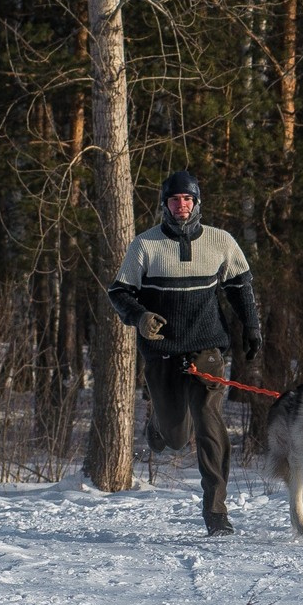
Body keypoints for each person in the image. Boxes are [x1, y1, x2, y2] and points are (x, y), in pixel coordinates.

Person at [106, 170, 262, 536]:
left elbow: (241, 286)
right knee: (176, 438)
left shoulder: (220, 241)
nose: (181, 206)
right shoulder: (145, 245)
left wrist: (251, 327)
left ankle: (217, 514)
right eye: (175, 200)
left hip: (206, 348)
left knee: (209, 425)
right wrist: (141, 316)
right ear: (165, 205)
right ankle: (158, 426)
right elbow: (119, 292)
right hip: (162, 352)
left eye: (187, 199)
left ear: (197, 203)